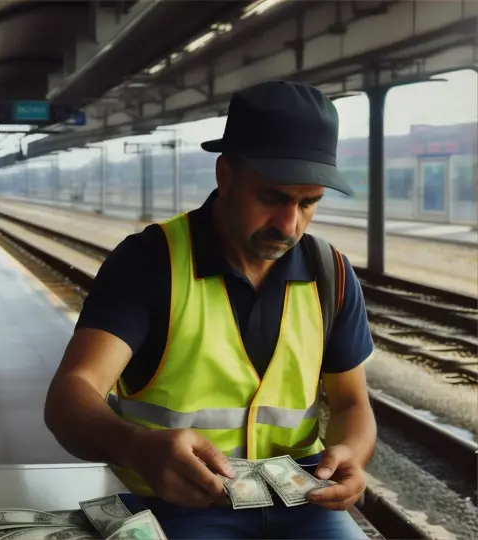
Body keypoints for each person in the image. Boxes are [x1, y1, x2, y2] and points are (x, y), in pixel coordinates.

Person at [44, 80, 376, 539]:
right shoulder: (150, 263)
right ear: (226, 175)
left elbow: (351, 402)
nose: (289, 223)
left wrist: (352, 455)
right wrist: (138, 449)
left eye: (308, 202)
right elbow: (70, 395)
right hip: (175, 498)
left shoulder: (331, 273)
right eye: (273, 197)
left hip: (304, 501)